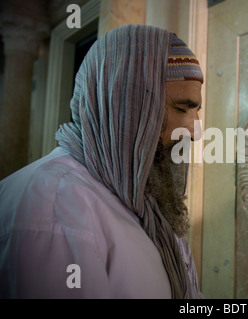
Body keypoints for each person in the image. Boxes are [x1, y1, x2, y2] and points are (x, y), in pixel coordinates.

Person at [0, 25, 204, 298]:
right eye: (182, 108)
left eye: (196, 110)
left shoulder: (144, 200)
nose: (195, 131)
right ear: (124, 104)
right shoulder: (54, 204)